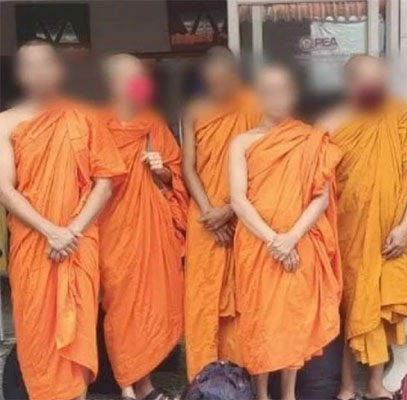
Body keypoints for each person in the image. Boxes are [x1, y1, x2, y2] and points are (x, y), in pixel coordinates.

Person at [0, 40, 126, 400]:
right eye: (30, 66)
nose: (38, 73)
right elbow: (5, 189)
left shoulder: (85, 117)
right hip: (33, 245)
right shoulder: (5, 122)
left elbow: (105, 181)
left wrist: (72, 231)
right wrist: (51, 231)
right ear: (20, 74)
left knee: (79, 332)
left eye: (46, 64)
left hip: (78, 243)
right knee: (38, 330)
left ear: (58, 71)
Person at [228, 64, 342, 400]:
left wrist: (291, 238)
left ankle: (289, 394)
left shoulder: (310, 139)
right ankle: (262, 393)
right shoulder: (242, 142)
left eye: (283, 90)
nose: (276, 97)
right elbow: (238, 199)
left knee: (292, 318)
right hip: (257, 245)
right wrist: (274, 240)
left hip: (299, 241)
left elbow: (321, 197)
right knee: (260, 318)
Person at [316, 55, 407, 400]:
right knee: (353, 306)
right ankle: (347, 386)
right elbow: (316, 184)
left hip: (392, 233)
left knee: (378, 306)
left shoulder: (398, 116)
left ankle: (375, 383)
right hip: (347, 230)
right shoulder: (329, 123)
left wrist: (405, 226)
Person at [97, 54, 187, 400]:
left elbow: (175, 176)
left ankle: (145, 385)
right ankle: (126, 386)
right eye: (131, 77)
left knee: (149, 307)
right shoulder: (94, 125)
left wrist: (161, 170)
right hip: (111, 230)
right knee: (121, 309)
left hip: (150, 230)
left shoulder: (153, 125)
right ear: (113, 83)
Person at [182, 46, 261, 381]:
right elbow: (188, 167)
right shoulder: (194, 109)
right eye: (212, 81)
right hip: (203, 216)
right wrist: (209, 213)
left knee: (243, 296)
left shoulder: (254, 106)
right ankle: (203, 379)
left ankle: (239, 378)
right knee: (202, 299)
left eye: (225, 80)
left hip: (244, 214)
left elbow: (261, 165)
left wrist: (230, 210)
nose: (219, 88)